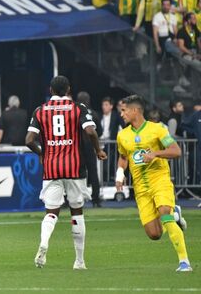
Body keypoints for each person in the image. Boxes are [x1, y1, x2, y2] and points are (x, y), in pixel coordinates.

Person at [25, 76, 106, 270]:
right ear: (69, 89)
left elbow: (29, 140)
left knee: (51, 212)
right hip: (75, 168)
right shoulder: (79, 108)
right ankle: (79, 261)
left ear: (50, 90)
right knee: (77, 212)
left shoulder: (40, 110)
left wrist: (43, 153)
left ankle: (44, 243)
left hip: (51, 168)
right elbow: (91, 132)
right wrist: (98, 150)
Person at [115, 95, 192, 272]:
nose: (122, 114)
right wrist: (120, 173)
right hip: (140, 188)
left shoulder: (157, 130)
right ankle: (176, 214)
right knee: (154, 234)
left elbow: (176, 151)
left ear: (135, 110)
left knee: (164, 213)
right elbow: (123, 157)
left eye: (124, 110)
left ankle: (184, 262)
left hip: (160, 179)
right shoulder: (122, 135)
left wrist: (155, 154)